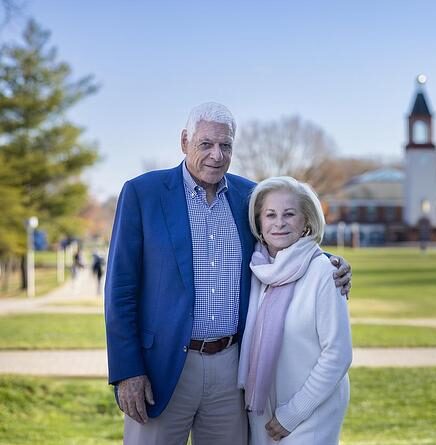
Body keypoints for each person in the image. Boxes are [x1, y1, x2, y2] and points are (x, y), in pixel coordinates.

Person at [104, 102, 352, 445]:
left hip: (231, 368)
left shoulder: (247, 195)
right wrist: (127, 370)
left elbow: (279, 239)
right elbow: (120, 290)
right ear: (184, 142)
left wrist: (326, 260)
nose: (217, 155)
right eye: (206, 144)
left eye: (226, 145)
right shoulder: (142, 194)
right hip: (161, 369)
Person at [238, 176, 352, 445]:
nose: (279, 223)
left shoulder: (325, 272)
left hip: (310, 413)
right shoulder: (257, 271)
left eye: (289, 214)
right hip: (262, 416)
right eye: (270, 215)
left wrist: (292, 414)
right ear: (259, 222)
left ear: (306, 222)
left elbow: (337, 354)